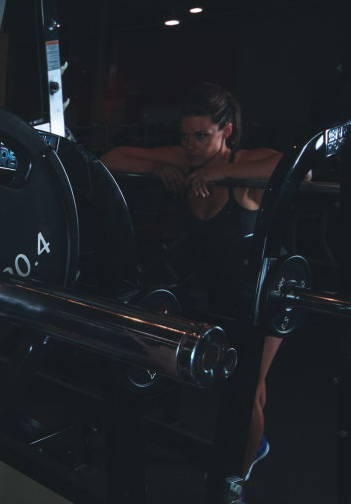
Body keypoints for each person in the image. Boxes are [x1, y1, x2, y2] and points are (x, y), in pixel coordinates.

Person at [100, 82, 283, 484]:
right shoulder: (183, 160)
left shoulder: (242, 165)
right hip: (222, 295)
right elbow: (110, 158)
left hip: (267, 296)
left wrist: (223, 171)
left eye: (202, 136)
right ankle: (256, 446)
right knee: (248, 385)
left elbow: (297, 167)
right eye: (185, 136)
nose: (191, 145)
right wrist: (157, 167)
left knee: (246, 391)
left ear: (226, 132)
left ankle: (234, 480)